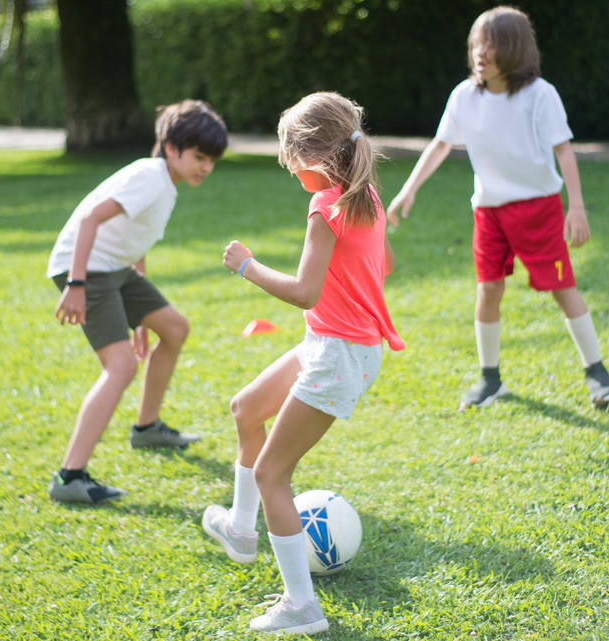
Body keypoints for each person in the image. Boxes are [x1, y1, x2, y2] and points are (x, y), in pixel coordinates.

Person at [204, 92, 404, 635]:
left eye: (290, 163)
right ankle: (242, 532)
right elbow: (383, 261)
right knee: (246, 407)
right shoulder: (365, 197)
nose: (290, 173)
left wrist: (246, 265)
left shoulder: (325, 206)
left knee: (272, 474)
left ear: (310, 159)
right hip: (337, 348)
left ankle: (302, 607)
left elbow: (305, 292)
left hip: (337, 355)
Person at [386, 6, 609, 410]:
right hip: (489, 213)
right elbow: (441, 143)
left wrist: (575, 207)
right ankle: (490, 379)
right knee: (488, 288)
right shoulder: (463, 95)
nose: (480, 52)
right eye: (476, 43)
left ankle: (598, 374)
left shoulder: (540, 94)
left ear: (514, 49)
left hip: (539, 210)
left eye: (491, 44)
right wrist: (409, 190)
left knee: (563, 290)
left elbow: (563, 151)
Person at [45, 100, 228, 504]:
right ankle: (69, 476)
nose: (206, 167)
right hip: (87, 267)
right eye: (199, 157)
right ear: (171, 147)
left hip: (114, 267)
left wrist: (141, 318)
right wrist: (75, 284)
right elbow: (91, 219)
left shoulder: (165, 184)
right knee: (122, 365)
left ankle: (147, 428)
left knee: (174, 328)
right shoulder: (151, 177)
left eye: (211, 160)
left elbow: (136, 244)